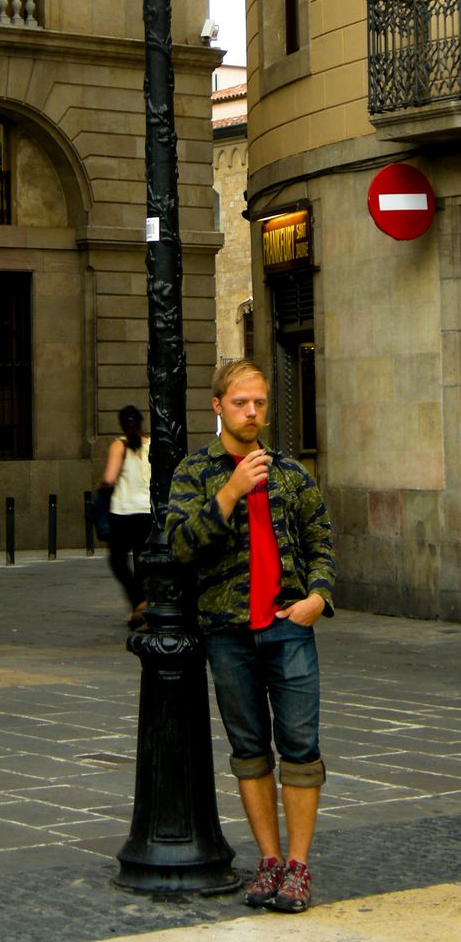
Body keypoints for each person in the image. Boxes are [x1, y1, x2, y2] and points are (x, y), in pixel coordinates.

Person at [165, 359, 335, 914]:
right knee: (249, 749)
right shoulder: (196, 472)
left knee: (301, 749)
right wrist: (230, 492)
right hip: (229, 630)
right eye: (241, 403)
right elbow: (180, 546)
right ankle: (268, 859)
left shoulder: (290, 472)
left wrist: (317, 598)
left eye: (260, 402)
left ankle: (299, 866)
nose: (253, 412)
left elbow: (320, 538)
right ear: (218, 407)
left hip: (288, 627)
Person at [99, 405, 152, 630]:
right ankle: (141, 606)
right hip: (147, 512)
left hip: (122, 512)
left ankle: (138, 603)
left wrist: (101, 489)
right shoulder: (153, 445)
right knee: (142, 562)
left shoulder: (118, 445)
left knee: (118, 562)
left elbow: (110, 478)